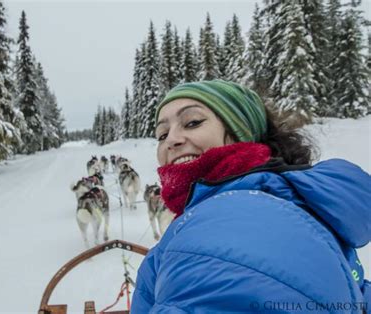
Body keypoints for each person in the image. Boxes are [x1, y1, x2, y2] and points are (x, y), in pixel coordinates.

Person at [131, 80, 370, 313]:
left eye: (192, 122)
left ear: (240, 132)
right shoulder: (278, 197)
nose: (171, 140)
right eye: (162, 135)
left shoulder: (233, 216)